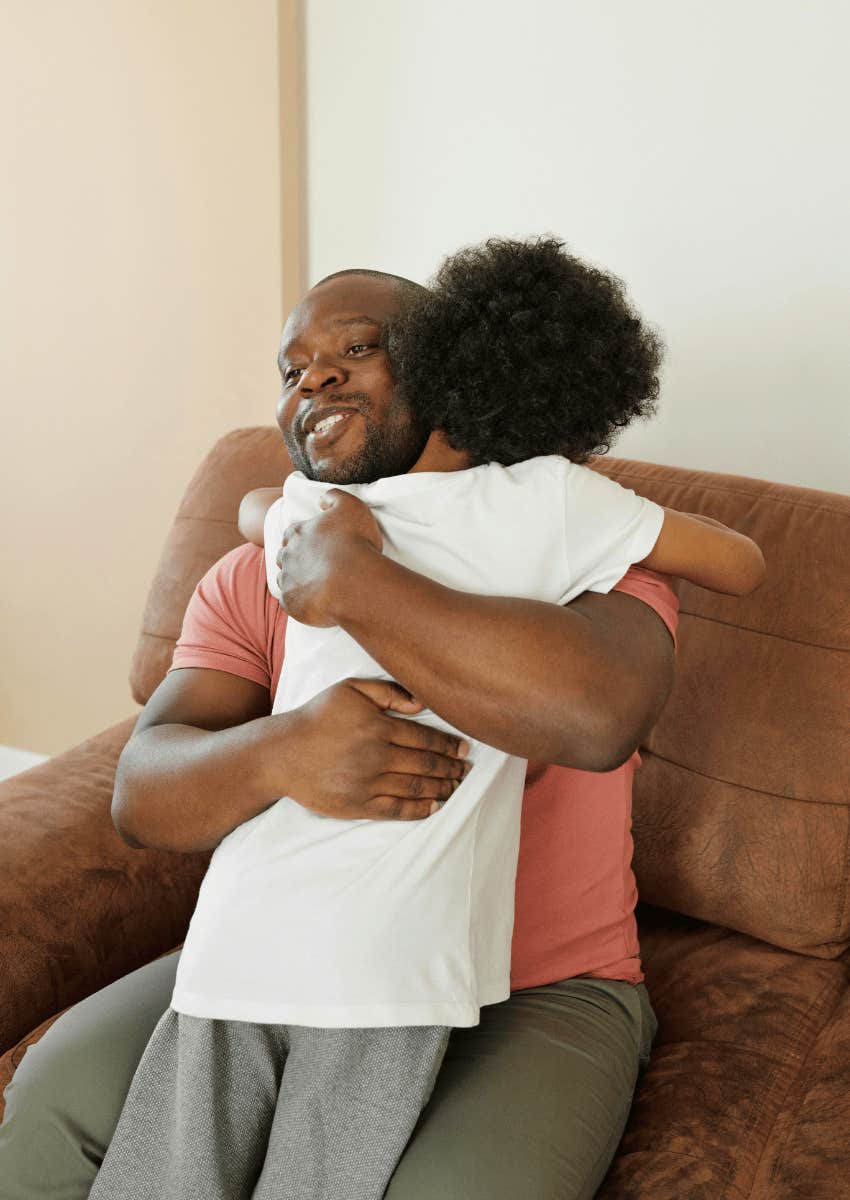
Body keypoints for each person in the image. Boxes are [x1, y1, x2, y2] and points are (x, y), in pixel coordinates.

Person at [87, 238, 762, 1199]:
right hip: (258, 940)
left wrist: (356, 581)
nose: (313, 374)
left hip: (502, 977)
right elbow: (138, 796)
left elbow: (596, 716)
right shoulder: (284, 540)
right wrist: (282, 749)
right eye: (290, 370)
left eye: (356, 350)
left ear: (454, 369)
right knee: (83, 1132)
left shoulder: (563, 535)